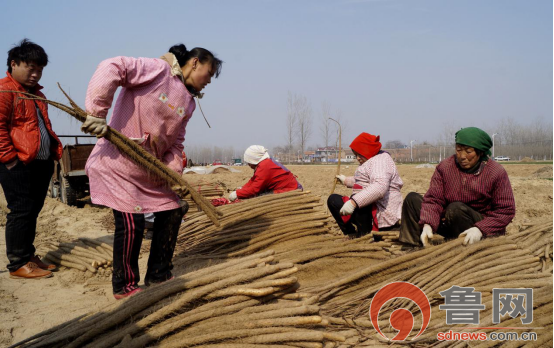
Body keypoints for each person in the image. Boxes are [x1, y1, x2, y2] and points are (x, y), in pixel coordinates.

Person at [82, 44, 222, 299]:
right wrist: (97, 112)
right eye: (209, 74)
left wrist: (173, 174)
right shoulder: (158, 70)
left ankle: (159, 274)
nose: (209, 82)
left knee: (173, 209)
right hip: (118, 163)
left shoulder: (188, 103)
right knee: (132, 221)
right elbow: (112, 66)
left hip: (149, 172)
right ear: (194, 63)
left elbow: (175, 144)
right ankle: (124, 285)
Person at [0, 39, 63, 279]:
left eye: (40, 69)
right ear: (14, 64)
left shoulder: (37, 94)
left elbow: (40, 127)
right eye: (31, 68)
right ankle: (17, 264)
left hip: (40, 163)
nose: (36, 74)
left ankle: (28, 256)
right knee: (21, 210)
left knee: (32, 210)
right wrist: (9, 160)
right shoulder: (4, 90)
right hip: (18, 163)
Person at [399, 127, 516, 247]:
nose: (462, 156)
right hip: (449, 222)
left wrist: (480, 229)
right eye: (459, 150)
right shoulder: (445, 167)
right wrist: (428, 224)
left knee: (456, 208)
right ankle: (412, 247)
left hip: (478, 228)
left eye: (468, 151)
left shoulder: (496, 172)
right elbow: (434, 199)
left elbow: (505, 210)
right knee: (412, 199)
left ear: (480, 152)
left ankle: (461, 248)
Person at [328, 133, 403, 239]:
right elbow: (364, 181)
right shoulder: (370, 159)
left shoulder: (380, 161)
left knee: (361, 203)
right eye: (355, 155)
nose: (357, 158)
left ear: (367, 150)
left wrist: (353, 203)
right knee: (333, 200)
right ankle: (351, 233)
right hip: (365, 209)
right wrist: (346, 180)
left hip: (380, 211)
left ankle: (366, 235)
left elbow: (379, 186)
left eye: (359, 154)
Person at [229, 146, 302, 201]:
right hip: (286, 187)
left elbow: (254, 189)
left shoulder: (264, 166)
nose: (249, 165)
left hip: (290, 190)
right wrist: (243, 188)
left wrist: (237, 194)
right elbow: (253, 180)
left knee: (261, 198)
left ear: (253, 160)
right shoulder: (263, 163)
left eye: (249, 162)